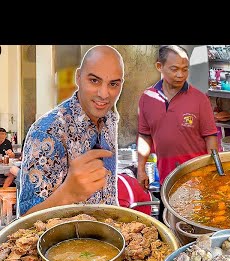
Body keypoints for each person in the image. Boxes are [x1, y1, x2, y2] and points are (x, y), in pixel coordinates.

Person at [19, 45, 124, 216]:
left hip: (108, 237)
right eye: (94, 80)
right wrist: (67, 193)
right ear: (78, 77)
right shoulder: (47, 131)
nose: (104, 94)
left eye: (113, 84)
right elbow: (25, 220)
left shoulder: (110, 118)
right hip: (64, 241)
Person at [136, 45, 218, 191]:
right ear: (159, 66)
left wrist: (214, 169)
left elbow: (210, 137)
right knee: (165, 214)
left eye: (185, 69)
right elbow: (144, 135)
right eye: (174, 69)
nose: (181, 74)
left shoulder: (199, 99)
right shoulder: (147, 98)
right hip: (166, 179)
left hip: (196, 178)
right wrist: (141, 169)